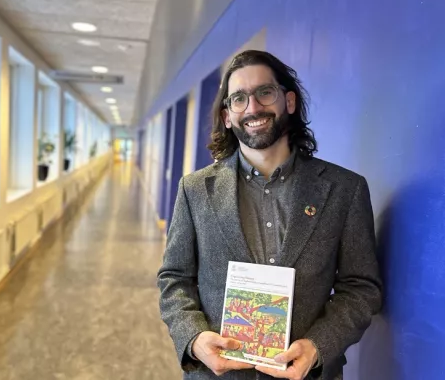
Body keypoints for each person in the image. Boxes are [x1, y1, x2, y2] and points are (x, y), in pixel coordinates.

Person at [157, 50, 382, 380]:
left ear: (289, 102)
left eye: (265, 92)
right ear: (227, 116)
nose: (253, 108)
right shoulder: (195, 190)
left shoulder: (344, 190)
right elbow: (174, 279)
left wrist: (319, 345)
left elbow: (361, 287)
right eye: (238, 99)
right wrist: (194, 338)